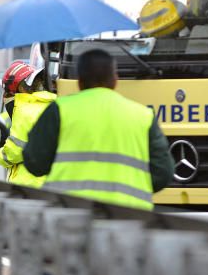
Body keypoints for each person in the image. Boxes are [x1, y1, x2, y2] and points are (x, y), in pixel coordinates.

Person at [22, 48, 173, 209]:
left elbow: (34, 162)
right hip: (130, 217)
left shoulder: (59, 110)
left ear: (80, 81)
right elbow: (163, 173)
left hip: (69, 214)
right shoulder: (143, 116)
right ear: (115, 79)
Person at [0, 61, 57, 187]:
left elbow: (16, 150)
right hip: (53, 181)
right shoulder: (55, 104)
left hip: (28, 184)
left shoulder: (23, 109)